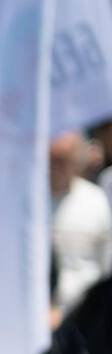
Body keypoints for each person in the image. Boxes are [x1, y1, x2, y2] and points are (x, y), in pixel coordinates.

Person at [49, 131, 112, 322]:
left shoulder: (96, 201)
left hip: (84, 315)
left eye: (62, 161)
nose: (55, 168)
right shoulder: (28, 205)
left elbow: (106, 264)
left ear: (76, 161)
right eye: (51, 160)